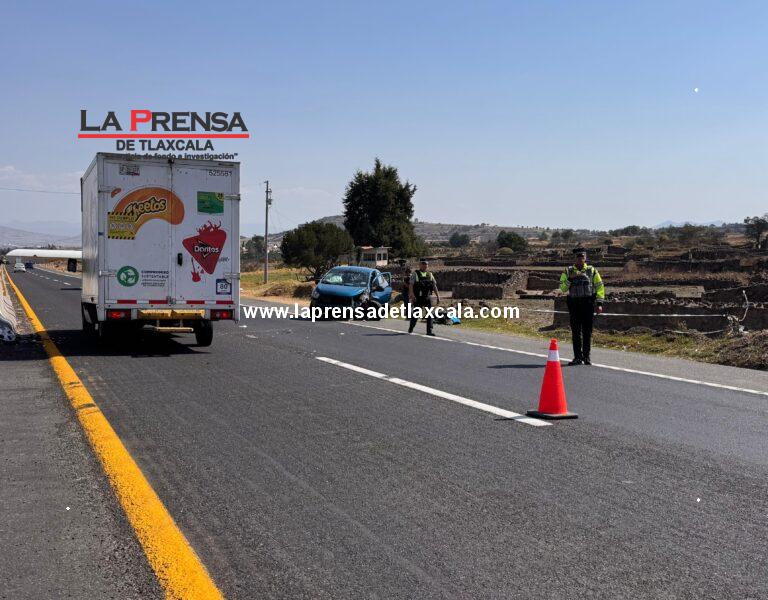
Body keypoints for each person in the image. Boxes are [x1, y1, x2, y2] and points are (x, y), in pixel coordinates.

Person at [559, 248, 605, 365]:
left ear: (585, 258)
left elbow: (599, 287)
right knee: (575, 332)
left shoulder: (592, 270)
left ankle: (587, 357)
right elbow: (563, 288)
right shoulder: (567, 271)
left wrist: (599, 304)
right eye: (578, 257)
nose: (580, 259)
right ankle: (577, 357)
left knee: (587, 332)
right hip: (574, 305)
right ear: (574, 258)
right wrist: (571, 278)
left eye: (582, 257)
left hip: (588, 304)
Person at [408, 259, 440, 336]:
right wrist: (412, 295)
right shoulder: (415, 274)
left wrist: (438, 296)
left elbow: (434, 286)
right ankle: (411, 327)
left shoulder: (430, 274)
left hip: (427, 298)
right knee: (416, 314)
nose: (425, 265)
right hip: (418, 298)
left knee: (430, 314)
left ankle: (429, 331)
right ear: (420, 265)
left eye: (426, 264)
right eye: (423, 264)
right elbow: (411, 285)